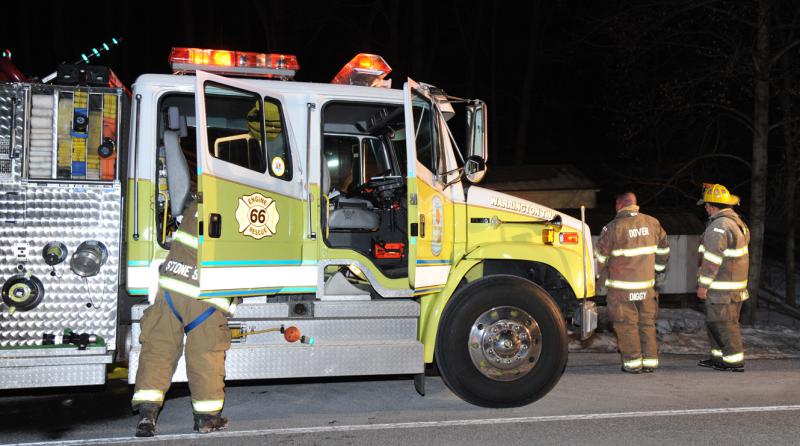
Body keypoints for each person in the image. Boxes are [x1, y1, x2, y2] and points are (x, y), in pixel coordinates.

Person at [131, 199, 238, 436]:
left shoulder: (195, 205)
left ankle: (147, 417)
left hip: (170, 291)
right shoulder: (235, 204)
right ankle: (207, 419)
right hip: (204, 300)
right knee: (206, 356)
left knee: (158, 352)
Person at [596, 192, 669, 373]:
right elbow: (664, 252)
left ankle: (633, 363)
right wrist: (658, 273)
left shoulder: (613, 228)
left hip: (622, 289)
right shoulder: (653, 223)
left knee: (626, 324)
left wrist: (596, 279)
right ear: (635, 203)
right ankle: (650, 362)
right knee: (647, 324)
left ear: (618, 204)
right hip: (647, 287)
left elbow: (600, 259)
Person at [695, 183, 749, 372]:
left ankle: (734, 361)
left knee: (724, 323)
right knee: (716, 322)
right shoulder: (737, 223)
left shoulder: (719, 226)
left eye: (706, 205)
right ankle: (719, 358)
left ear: (711, 206)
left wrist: (703, 285)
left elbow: (712, 259)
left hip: (722, 287)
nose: (705, 208)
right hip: (733, 286)